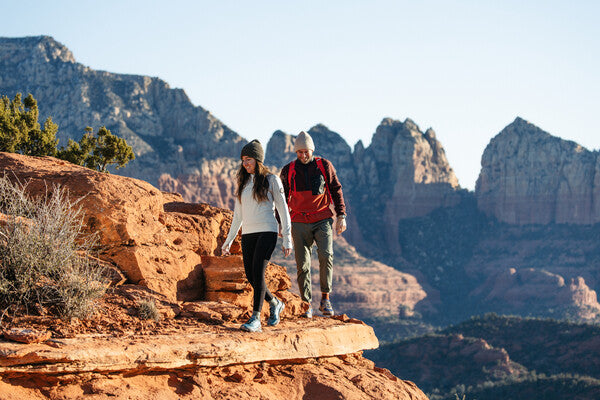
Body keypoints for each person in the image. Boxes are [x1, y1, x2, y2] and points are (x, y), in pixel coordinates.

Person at [222, 140, 293, 332]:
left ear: (258, 160)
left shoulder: (271, 180)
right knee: (252, 277)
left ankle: (256, 319)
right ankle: (275, 303)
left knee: (258, 273)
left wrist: (287, 237)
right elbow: (238, 216)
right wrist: (228, 241)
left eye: (249, 159)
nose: (245, 163)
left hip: (267, 231)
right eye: (243, 159)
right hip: (248, 234)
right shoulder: (244, 183)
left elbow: (283, 209)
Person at [280, 131, 347, 318]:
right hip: (298, 221)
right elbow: (282, 198)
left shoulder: (324, 165)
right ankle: (306, 304)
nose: (303, 155)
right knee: (303, 265)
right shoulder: (288, 170)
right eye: (299, 152)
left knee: (326, 255)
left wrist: (341, 215)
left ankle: (325, 299)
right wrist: (280, 223)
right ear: (295, 152)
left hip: (322, 219)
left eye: (306, 151)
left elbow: (335, 189)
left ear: (312, 150)